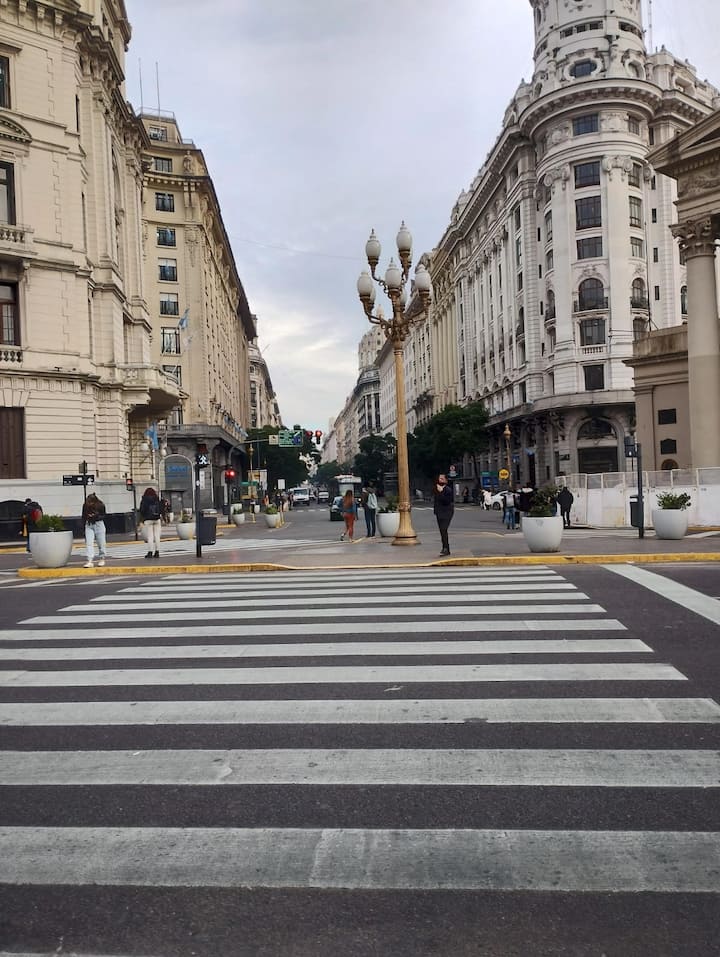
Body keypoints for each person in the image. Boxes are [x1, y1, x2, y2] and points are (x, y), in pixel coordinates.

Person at [82, 492, 107, 567]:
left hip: (99, 523)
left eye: (91, 502)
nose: (89, 504)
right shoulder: (85, 506)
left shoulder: (100, 505)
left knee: (101, 542)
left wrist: (96, 516)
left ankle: (102, 558)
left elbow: (104, 515)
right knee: (89, 543)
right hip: (89, 524)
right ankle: (90, 560)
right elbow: (83, 516)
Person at [433, 473, 454, 556]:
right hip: (439, 512)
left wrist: (441, 492)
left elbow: (447, 501)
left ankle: (446, 548)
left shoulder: (448, 490)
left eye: (442, 479)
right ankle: (445, 548)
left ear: (446, 480)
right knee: (442, 531)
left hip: (447, 512)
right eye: (439, 478)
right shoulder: (436, 489)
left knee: (444, 529)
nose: (440, 480)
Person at [139, 486, 162, 559]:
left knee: (150, 536)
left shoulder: (144, 499)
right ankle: (157, 552)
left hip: (148, 519)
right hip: (157, 519)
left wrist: (143, 517)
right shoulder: (156, 498)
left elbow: (142, 510)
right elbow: (160, 508)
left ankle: (150, 552)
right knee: (157, 536)